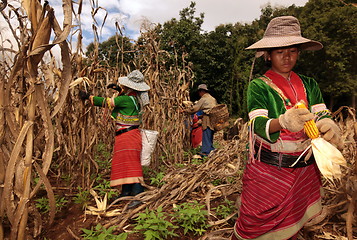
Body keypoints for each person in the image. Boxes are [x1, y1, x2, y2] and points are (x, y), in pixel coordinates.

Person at [231, 16, 342, 240]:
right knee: (253, 225)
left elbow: (321, 113)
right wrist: (282, 122)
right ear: (268, 54)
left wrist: (327, 123)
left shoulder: (309, 84)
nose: (287, 57)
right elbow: (256, 124)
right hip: (270, 169)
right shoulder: (259, 86)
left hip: (303, 169)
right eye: (280, 51)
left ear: (299, 52)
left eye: (292, 50)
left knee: (293, 223)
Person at [79, 70, 150, 208]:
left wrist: (89, 97)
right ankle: (126, 192)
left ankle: (138, 195)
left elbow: (107, 102)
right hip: (130, 135)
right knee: (126, 164)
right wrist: (120, 90)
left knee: (131, 165)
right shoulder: (134, 98)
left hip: (127, 136)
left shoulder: (125, 99)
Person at [184, 84, 217, 157]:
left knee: (206, 133)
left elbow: (195, 109)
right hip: (213, 118)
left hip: (207, 119)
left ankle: (206, 151)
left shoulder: (203, 99)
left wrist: (185, 111)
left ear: (202, 91)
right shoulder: (212, 98)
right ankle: (211, 149)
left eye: (199, 92)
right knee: (210, 134)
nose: (199, 94)